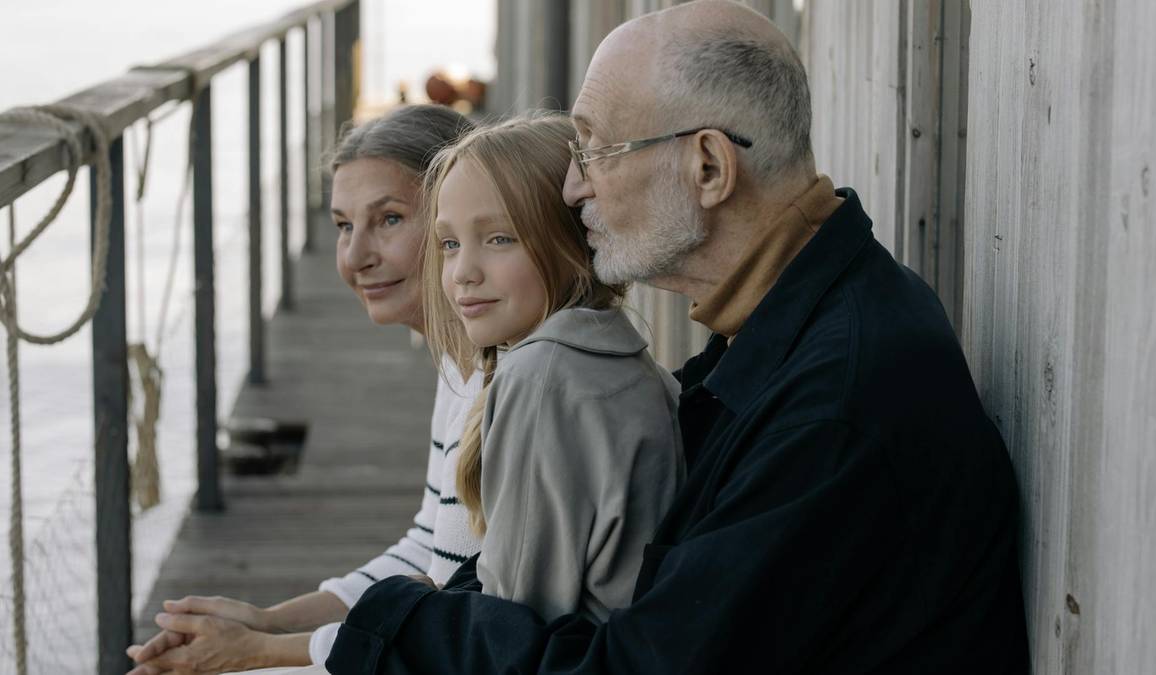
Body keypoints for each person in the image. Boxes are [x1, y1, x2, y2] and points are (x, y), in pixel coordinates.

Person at [324, 2, 1031, 673]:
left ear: (709, 168)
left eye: (595, 149)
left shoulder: (837, 404)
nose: (572, 187)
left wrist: (393, 619)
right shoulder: (792, 320)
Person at [125, 104, 483, 675]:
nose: (355, 256)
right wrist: (266, 621)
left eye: (389, 219)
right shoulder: (461, 368)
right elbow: (430, 548)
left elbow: (468, 609)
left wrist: (259, 652)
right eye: (343, 226)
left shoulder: (508, 383)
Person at [421, 113, 684, 623]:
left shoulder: (544, 376)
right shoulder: (624, 363)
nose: (462, 273)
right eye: (450, 243)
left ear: (574, 243)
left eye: (499, 238)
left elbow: (512, 622)